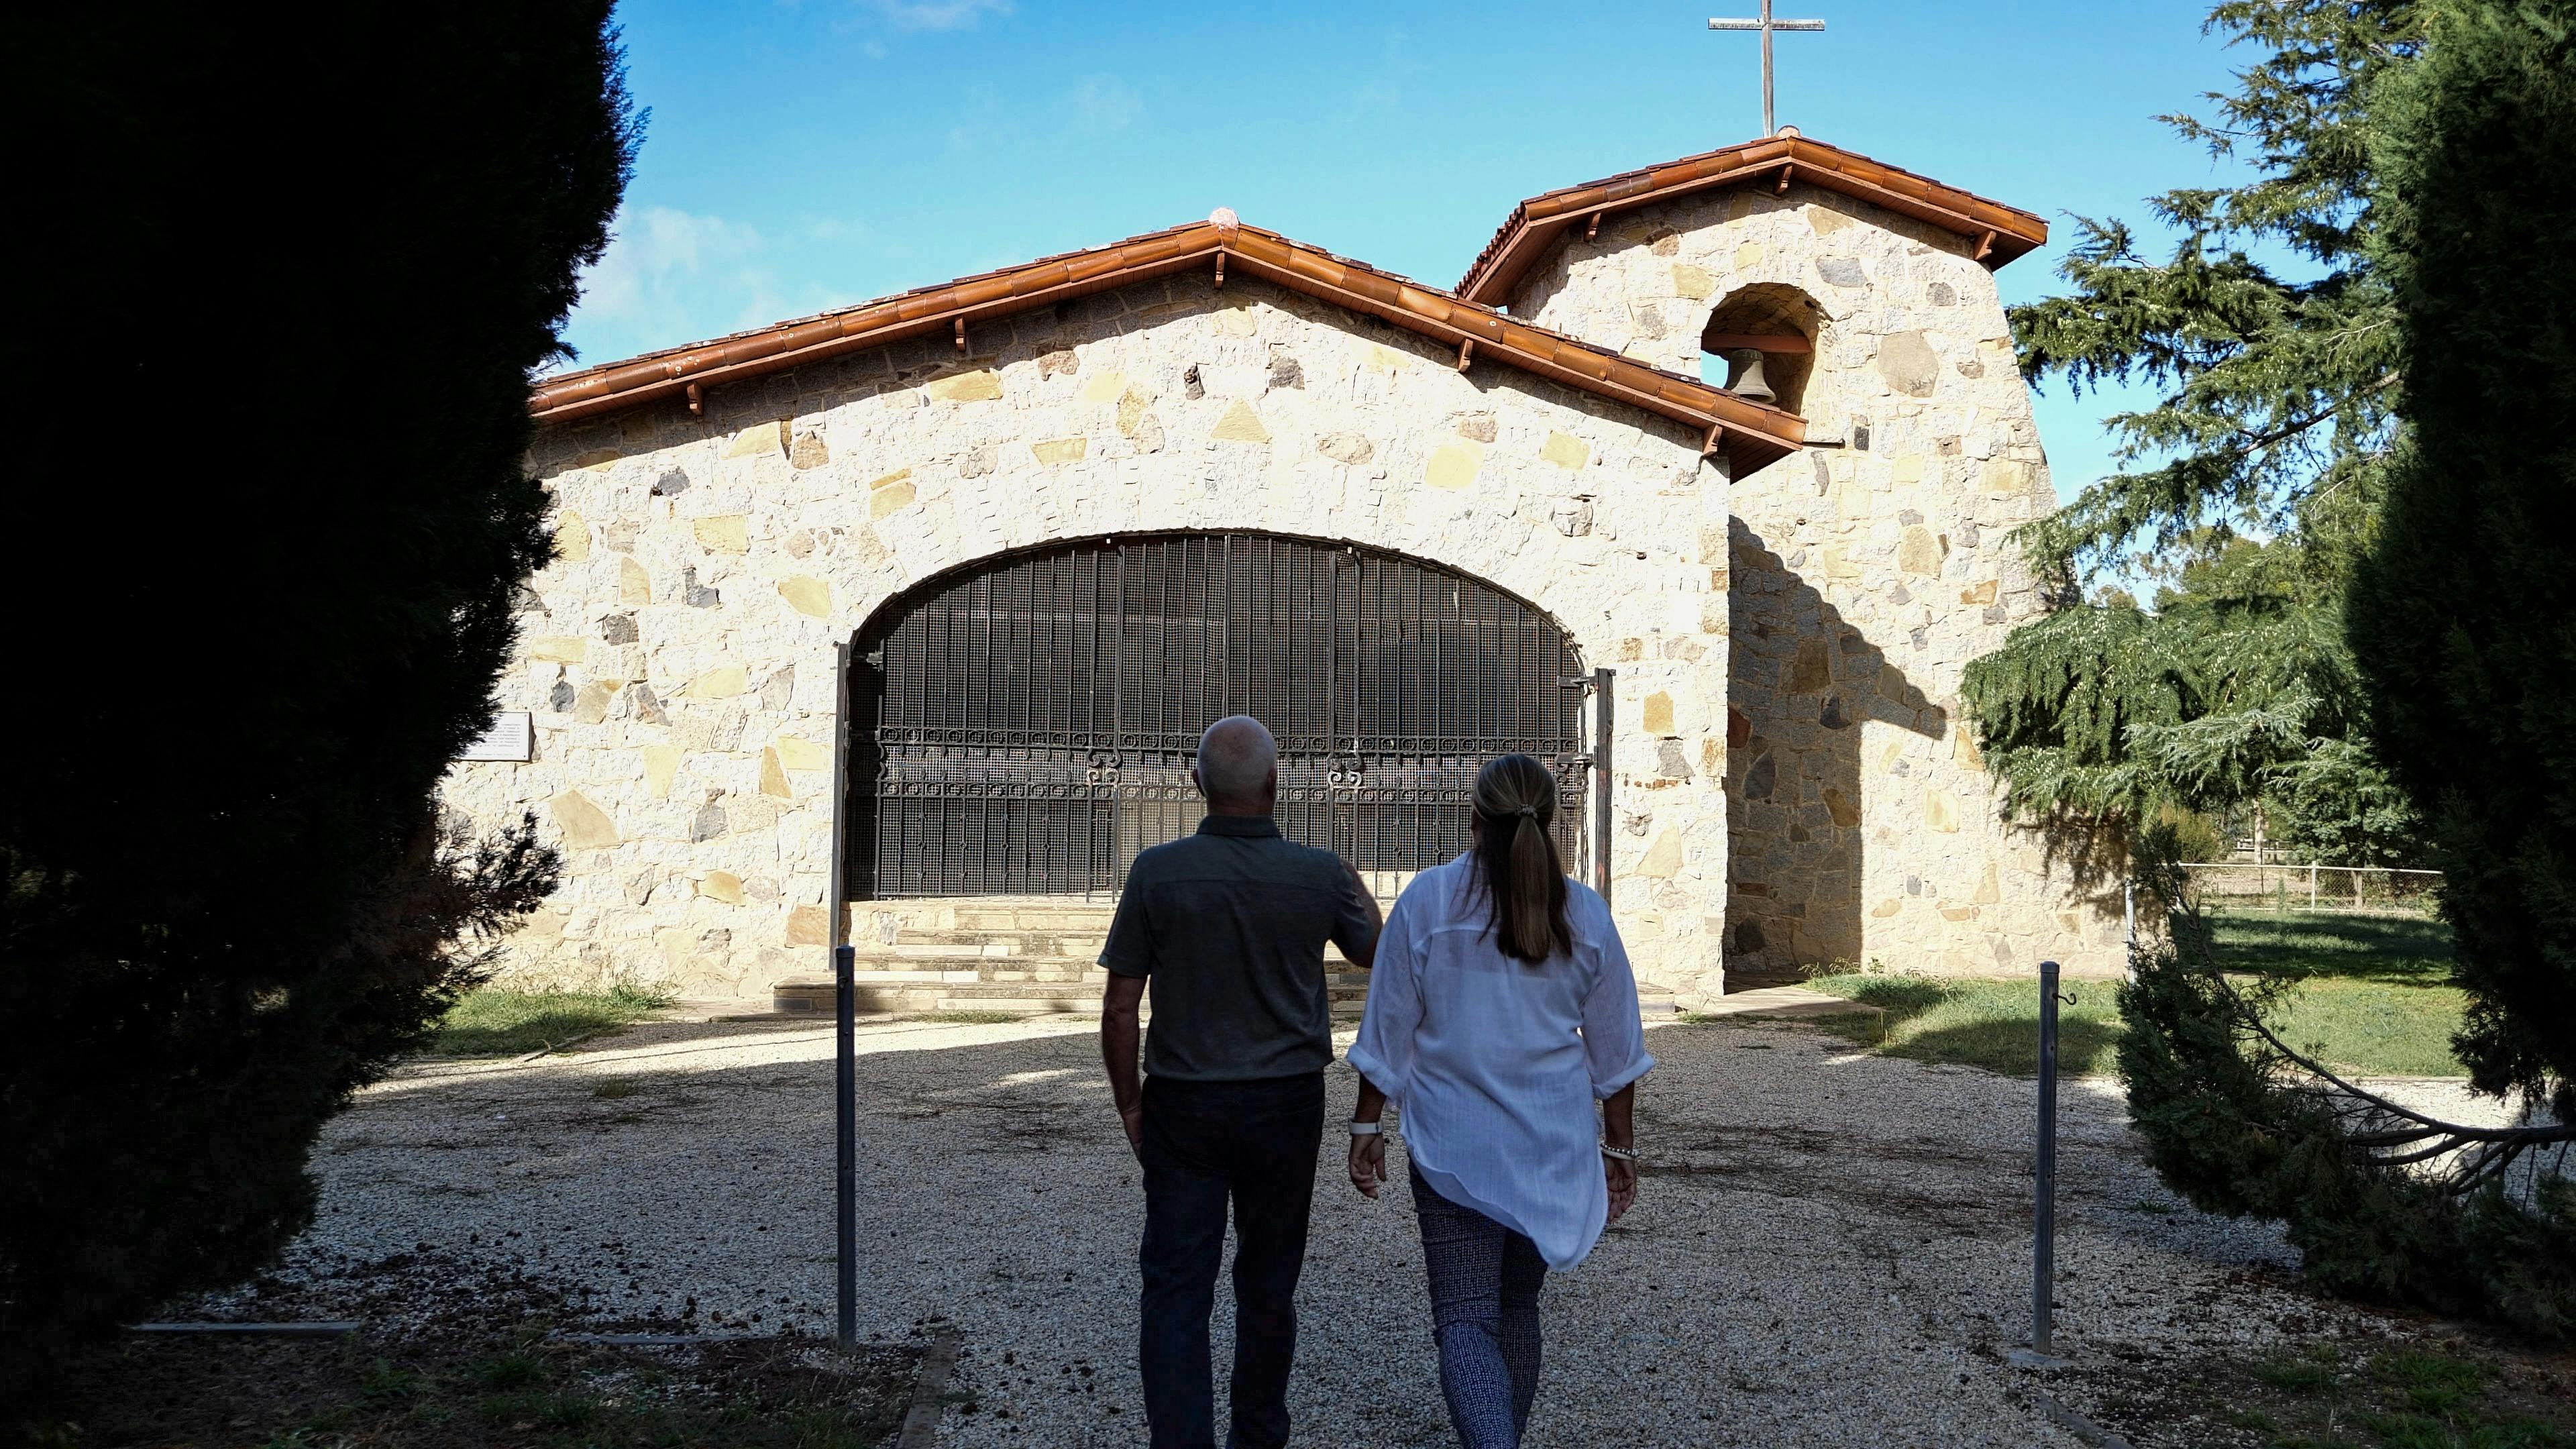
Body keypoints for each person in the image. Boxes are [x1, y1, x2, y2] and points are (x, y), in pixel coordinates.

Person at [1344, 753, 1653, 1449]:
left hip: (1455, 1146)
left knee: (1465, 1318)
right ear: (1549, 822)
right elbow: (1618, 1051)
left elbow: (1387, 1029)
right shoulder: (1586, 915)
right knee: (1516, 1308)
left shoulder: (1427, 902)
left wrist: (1367, 1125)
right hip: (1552, 1146)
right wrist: (1620, 1147)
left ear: (1473, 820)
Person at [1097, 714, 1383, 1449]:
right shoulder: (1317, 873)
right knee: (1268, 1283)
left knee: (1175, 1286)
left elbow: (1122, 1005)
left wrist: (1131, 1102)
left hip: (1184, 1101)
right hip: (1285, 1102)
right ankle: (1258, 1435)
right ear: (1275, 783)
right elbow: (1377, 956)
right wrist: (1350, 880)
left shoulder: (1157, 871)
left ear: (1196, 785)